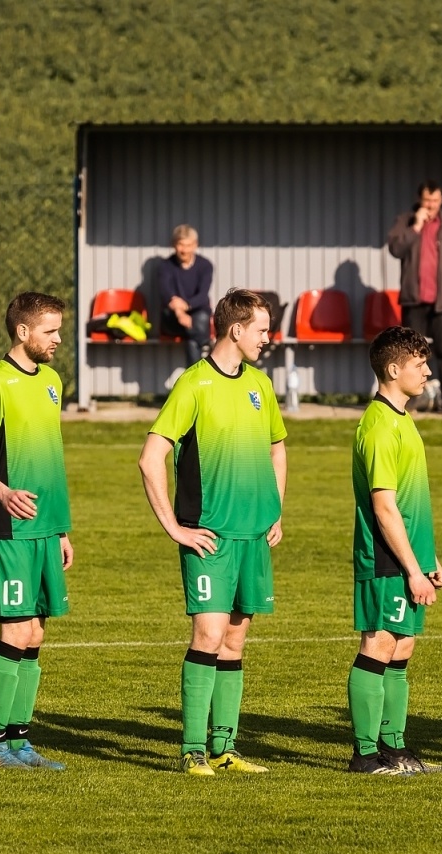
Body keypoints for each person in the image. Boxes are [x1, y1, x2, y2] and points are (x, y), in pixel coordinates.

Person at [139, 288, 287, 775]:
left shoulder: (260, 385)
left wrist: (276, 510)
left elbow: (277, 448)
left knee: (236, 641)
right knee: (208, 633)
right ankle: (192, 749)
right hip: (210, 535)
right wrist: (175, 529)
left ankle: (225, 748)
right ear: (236, 329)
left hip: (254, 537)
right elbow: (151, 456)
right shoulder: (194, 384)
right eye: (263, 329)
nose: (269, 338)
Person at [0, 292, 73, 771]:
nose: (58, 340)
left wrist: (62, 530)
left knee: (36, 631)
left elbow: (47, 460)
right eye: (51, 331)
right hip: (6, 527)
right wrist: (2, 494)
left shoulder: (51, 382)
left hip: (45, 529)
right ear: (23, 332)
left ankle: (21, 742)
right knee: (15, 628)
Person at [346, 326, 442, 775]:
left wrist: (428, 560)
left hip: (407, 558)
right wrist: (412, 569)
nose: (426, 370)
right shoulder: (381, 426)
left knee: (402, 647)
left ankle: (394, 749)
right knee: (380, 643)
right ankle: (365, 756)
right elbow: (385, 508)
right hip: (386, 559)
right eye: (418, 363)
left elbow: (409, 501)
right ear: (393, 369)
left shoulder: (401, 419)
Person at [386, 181, 442, 414]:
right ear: (420, 200)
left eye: (434, 201)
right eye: (427, 201)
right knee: (410, 354)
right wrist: (416, 226)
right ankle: (408, 403)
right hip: (414, 300)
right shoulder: (406, 222)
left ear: (441, 200)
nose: (431, 205)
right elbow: (395, 249)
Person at [158, 224, 214, 365]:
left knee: (194, 337)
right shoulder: (166, 266)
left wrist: (186, 306)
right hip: (172, 318)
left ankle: (194, 381)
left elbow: (202, 295)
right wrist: (179, 313)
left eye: (188, 245)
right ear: (174, 245)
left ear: (195, 245)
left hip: (197, 317)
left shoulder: (205, 265)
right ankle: (209, 345)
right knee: (197, 328)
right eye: (180, 245)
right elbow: (166, 294)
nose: (184, 250)